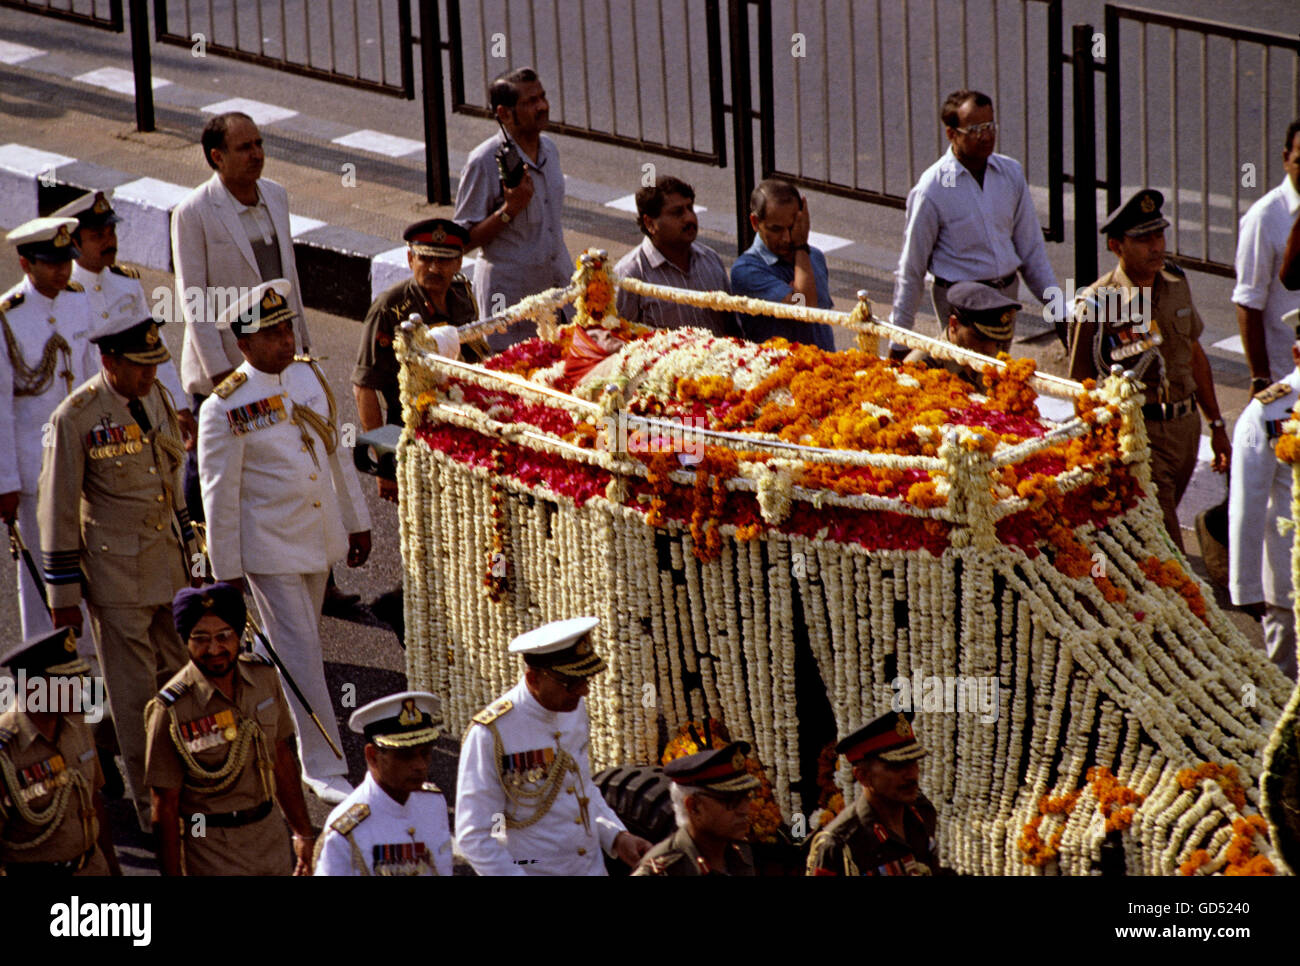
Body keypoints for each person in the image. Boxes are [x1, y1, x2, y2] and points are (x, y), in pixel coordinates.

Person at [198, 279, 371, 805]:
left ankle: (251, 711)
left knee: (294, 646)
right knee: (301, 652)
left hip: (317, 538)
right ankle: (323, 764)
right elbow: (219, 495)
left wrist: (356, 520)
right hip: (269, 549)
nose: (286, 341)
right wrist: (225, 572)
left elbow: (336, 453)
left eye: (287, 329)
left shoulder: (309, 375)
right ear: (244, 345)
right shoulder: (224, 406)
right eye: (272, 335)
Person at [38, 312, 193, 831]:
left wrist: (193, 556)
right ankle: (155, 810)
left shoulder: (156, 397)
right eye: (140, 366)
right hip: (116, 576)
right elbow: (58, 508)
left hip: (168, 565)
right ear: (108, 361)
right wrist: (63, 596)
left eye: (155, 364)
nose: (151, 374)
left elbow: (171, 482)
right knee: (135, 697)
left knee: (179, 679)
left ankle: (112, 745)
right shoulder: (76, 416)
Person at [1068, 189, 1230, 551]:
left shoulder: (1176, 282)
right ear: (1116, 246)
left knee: (1151, 530)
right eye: (1144, 240)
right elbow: (1081, 384)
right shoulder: (1096, 303)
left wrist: (1217, 425)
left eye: (1159, 236)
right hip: (1140, 433)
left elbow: (1193, 353)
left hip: (1186, 427)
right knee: (1166, 541)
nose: (1156, 247)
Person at [455, 616, 651, 875]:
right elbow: (475, 836)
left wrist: (616, 836)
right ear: (533, 679)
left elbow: (581, 789)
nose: (584, 691)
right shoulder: (491, 733)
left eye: (586, 679)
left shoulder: (572, 708)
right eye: (571, 683)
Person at [145, 583, 317, 875]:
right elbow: (165, 806)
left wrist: (303, 833)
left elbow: (280, 757)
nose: (214, 649)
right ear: (185, 641)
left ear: (239, 636)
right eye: (200, 639)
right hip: (211, 847)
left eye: (224, 636)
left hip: (270, 836)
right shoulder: (171, 710)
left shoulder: (264, 678)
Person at [890, 89, 1061, 355]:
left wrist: (1059, 311)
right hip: (963, 308)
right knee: (966, 374)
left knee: (1001, 375)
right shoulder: (933, 189)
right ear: (951, 133)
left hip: (1004, 301)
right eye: (975, 129)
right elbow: (911, 268)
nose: (986, 136)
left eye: (990, 126)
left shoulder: (1010, 174)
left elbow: (1032, 253)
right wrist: (899, 340)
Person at [0, 217, 97, 640]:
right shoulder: (7, 317)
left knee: (90, 563)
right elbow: (0, 408)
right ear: (26, 263)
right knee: (41, 571)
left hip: (85, 457)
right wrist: (5, 482)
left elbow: (93, 378)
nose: (63, 271)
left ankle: (91, 664)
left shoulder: (78, 300)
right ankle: (48, 666)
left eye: (67, 261)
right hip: (34, 466)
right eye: (52, 263)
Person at [51, 190, 195, 445]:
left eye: (111, 233)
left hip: (136, 406)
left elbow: (153, 344)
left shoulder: (126, 283)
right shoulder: (62, 294)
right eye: (98, 236)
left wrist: (179, 406)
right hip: (87, 413)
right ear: (74, 244)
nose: (109, 242)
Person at [353, 218, 482, 496]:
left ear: (459, 263)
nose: (434, 268)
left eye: (444, 260)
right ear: (410, 259)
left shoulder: (462, 296)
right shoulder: (390, 308)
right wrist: (386, 464)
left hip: (462, 429)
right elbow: (364, 387)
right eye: (426, 259)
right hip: (413, 432)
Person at [453, 67, 570, 349]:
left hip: (559, 294)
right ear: (504, 114)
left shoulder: (550, 149)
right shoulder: (483, 161)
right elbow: (460, 242)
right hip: (510, 303)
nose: (542, 107)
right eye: (530, 102)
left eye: (542, 97)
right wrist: (509, 210)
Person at [0, 627, 121, 876]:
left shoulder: (77, 724)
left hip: (91, 867)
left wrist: (112, 865)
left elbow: (93, 801)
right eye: (67, 682)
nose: (81, 690)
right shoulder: (6, 752)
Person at [1229, 318, 1300, 679]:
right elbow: (1247, 503)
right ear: (1296, 354)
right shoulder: (1268, 411)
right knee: (1283, 682)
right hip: (1289, 580)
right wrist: (1246, 587)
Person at [315, 691, 453, 876]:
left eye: (425, 753)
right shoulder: (345, 833)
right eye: (406, 756)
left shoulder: (433, 802)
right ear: (372, 756)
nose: (420, 765)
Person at [806, 710, 940, 876]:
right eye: (897, 766)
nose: (911, 775)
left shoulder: (922, 813)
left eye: (913, 762)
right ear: (863, 776)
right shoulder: (839, 844)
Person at [613, 175, 738, 337]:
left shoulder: (710, 259)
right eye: (677, 213)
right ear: (650, 223)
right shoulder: (629, 274)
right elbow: (618, 337)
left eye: (690, 208)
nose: (690, 218)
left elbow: (732, 327)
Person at [1234, 120, 1300, 394]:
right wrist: (1260, 378)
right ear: (1286, 159)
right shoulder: (1264, 217)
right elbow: (1248, 302)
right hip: (1286, 377)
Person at [730, 178, 836, 349]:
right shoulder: (746, 270)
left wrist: (798, 291)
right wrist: (800, 247)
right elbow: (805, 309)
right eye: (776, 229)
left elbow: (819, 311)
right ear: (755, 223)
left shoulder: (814, 257)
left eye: (792, 227)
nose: (787, 238)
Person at [632, 741, 757, 876]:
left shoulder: (739, 850)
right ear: (694, 807)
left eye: (746, 797)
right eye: (731, 801)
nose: (744, 810)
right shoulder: (664, 870)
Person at [903, 281, 1019, 390]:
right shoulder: (920, 366)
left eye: (996, 341)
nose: (991, 349)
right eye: (980, 338)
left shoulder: (996, 360)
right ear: (954, 324)